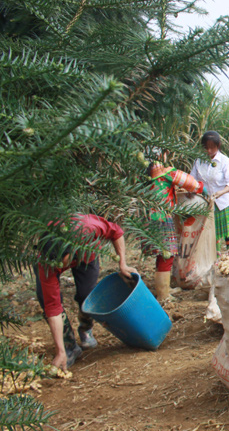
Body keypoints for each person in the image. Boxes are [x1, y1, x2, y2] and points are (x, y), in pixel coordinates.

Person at [35, 214, 138, 371]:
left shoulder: (87, 227)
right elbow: (52, 307)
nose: (63, 267)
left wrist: (122, 263)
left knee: (87, 295)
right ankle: (69, 348)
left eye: (64, 262)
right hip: (55, 260)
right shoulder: (46, 263)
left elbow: (116, 232)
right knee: (45, 297)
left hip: (86, 255)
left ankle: (86, 328)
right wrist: (59, 351)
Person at [146, 158, 208, 302]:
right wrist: (202, 190)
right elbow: (192, 184)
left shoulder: (146, 175)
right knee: (166, 256)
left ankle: (165, 289)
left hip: (148, 218)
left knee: (161, 255)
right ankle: (163, 296)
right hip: (161, 217)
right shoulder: (167, 173)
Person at [190, 130, 229, 249]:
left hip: (224, 203)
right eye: (206, 148)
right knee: (212, 236)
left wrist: (221, 192)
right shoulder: (199, 161)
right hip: (207, 203)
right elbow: (192, 179)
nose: (209, 151)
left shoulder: (224, 161)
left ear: (218, 146)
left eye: (212, 147)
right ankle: (214, 260)